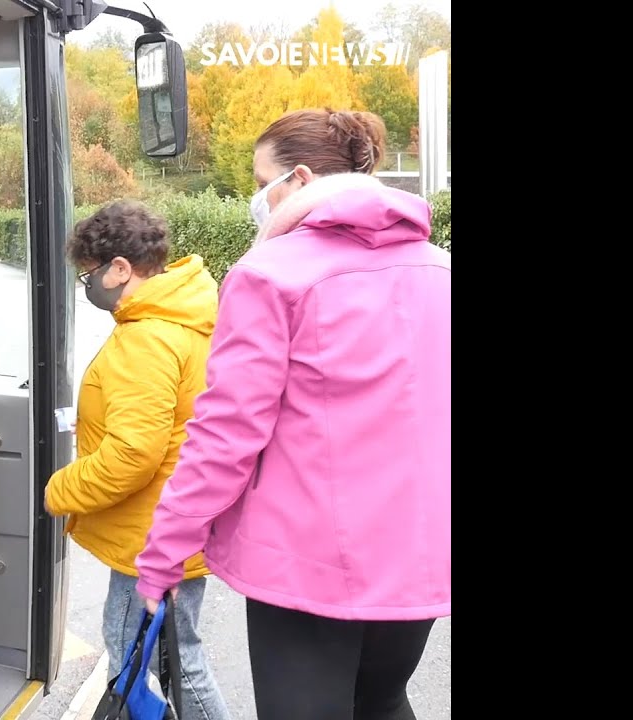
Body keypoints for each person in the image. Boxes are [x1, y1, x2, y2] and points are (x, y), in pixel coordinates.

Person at [134, 108, 451, 720]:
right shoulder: (439, 270)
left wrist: (164, 554)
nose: (257, 198)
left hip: (309, 563)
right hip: (419, 554)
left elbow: (225, 436)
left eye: (261, 183)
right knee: (383, 701)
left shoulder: (270, 275)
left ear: (300, 178)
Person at [44, 199, 230, 720]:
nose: (88, 286)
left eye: (89, 275)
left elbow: (132, 454)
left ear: (121, 269)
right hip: (175, 522)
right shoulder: (183, 317)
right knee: (169, 656)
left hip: (149, 536)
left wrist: (59, 489)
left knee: (157, 663)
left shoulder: (146, 336)